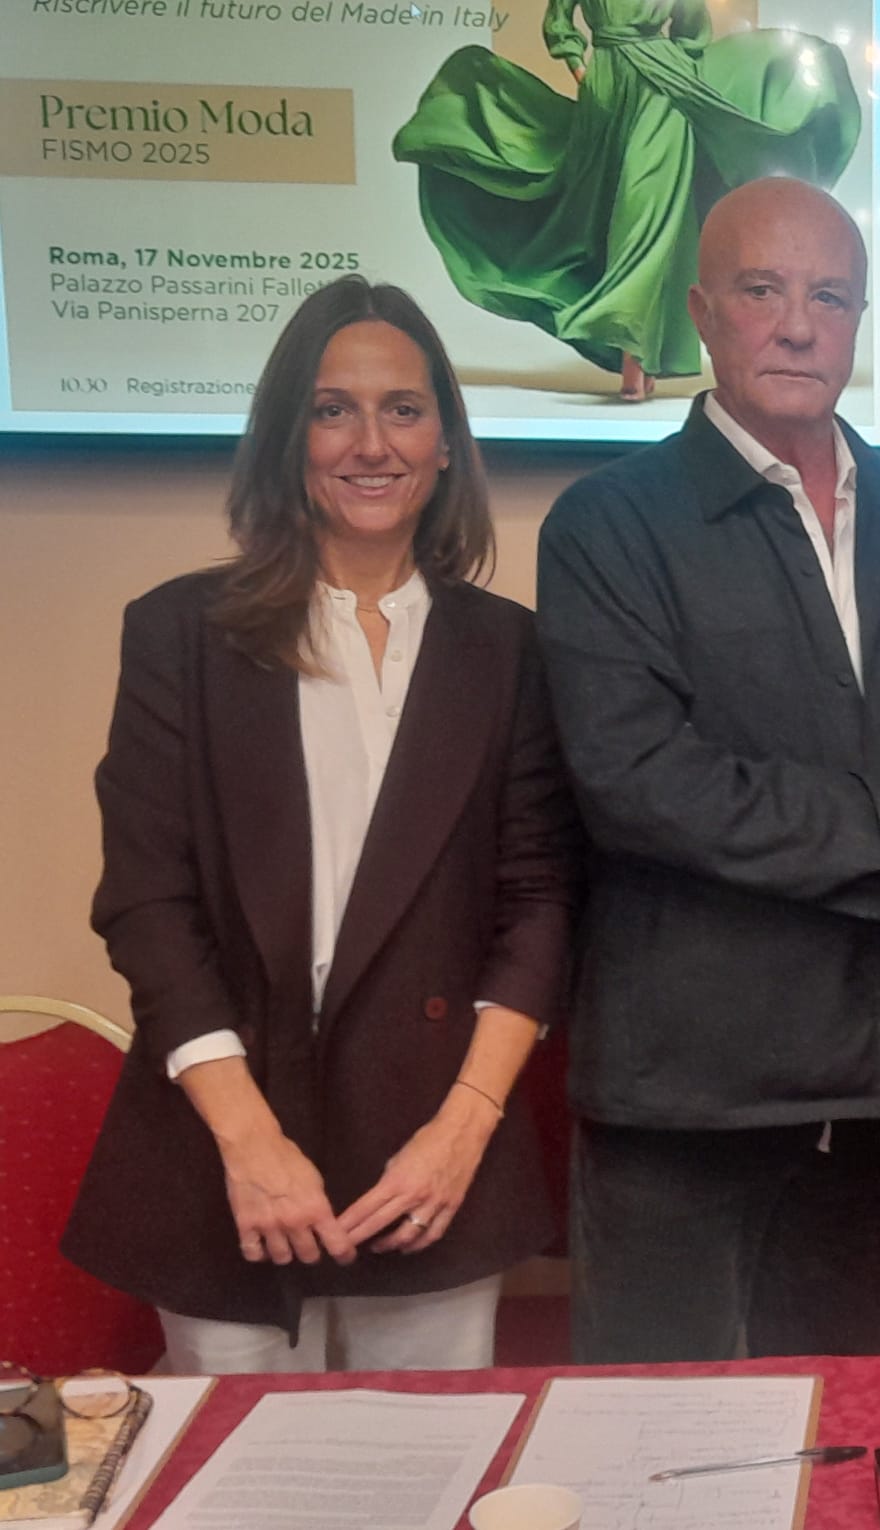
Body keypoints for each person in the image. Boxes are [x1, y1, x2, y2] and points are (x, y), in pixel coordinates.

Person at [537, 177, 880, 1363]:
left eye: (831, 298)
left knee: (837, 1419)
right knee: (659, 1439)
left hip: (876, 1083)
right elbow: (639, 780)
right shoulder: (609, 527)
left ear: (861, 320)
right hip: (687, 1093)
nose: (801, 327)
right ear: (702, 313)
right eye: (764, 292)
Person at [63, 278, 578, 1374]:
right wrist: (250, 1144)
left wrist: (463, 1132)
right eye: (332, 409)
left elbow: (538, 905)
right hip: (225, 1154)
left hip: (432, 1163)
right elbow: (148, 905)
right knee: (236, 1467)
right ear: (286, 437)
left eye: (404, 409)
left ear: (447, 441)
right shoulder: (180, 633)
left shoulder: (510, 651)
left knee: (427, 1463)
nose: (370, 444)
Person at [393, 0, 861, 400]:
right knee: (607, 221)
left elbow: (692, 30)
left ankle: (635, 359)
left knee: (648, 216)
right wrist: (582, 69)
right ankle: (639, 352)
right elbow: (559, 24)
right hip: (607, 95)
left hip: (665, 91)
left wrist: (683, 72)